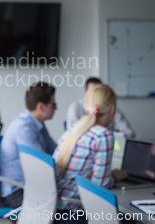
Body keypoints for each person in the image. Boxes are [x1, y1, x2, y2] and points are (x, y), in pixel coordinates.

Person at [53, 84, 127, 220]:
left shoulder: (75, 128)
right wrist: (114, 176)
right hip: (76, 212)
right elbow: (100, 187)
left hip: (56, 209)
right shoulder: (103, 135)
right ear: (112, 110)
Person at [0, 82, 57, 208]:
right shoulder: (24, 129)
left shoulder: (37, 123)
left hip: (31, 186)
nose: (56, 108)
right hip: (17, 192)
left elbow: (54, 150)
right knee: (67, 211)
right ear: (41, 107)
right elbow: (43, 167)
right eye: (54, 104)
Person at [66, 77, 135, 138]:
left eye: (99, 93)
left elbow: (130, 133)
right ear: (85, 92)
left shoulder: (111, 108)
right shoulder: (75, 107)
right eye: (92, 92)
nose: (96, 97)